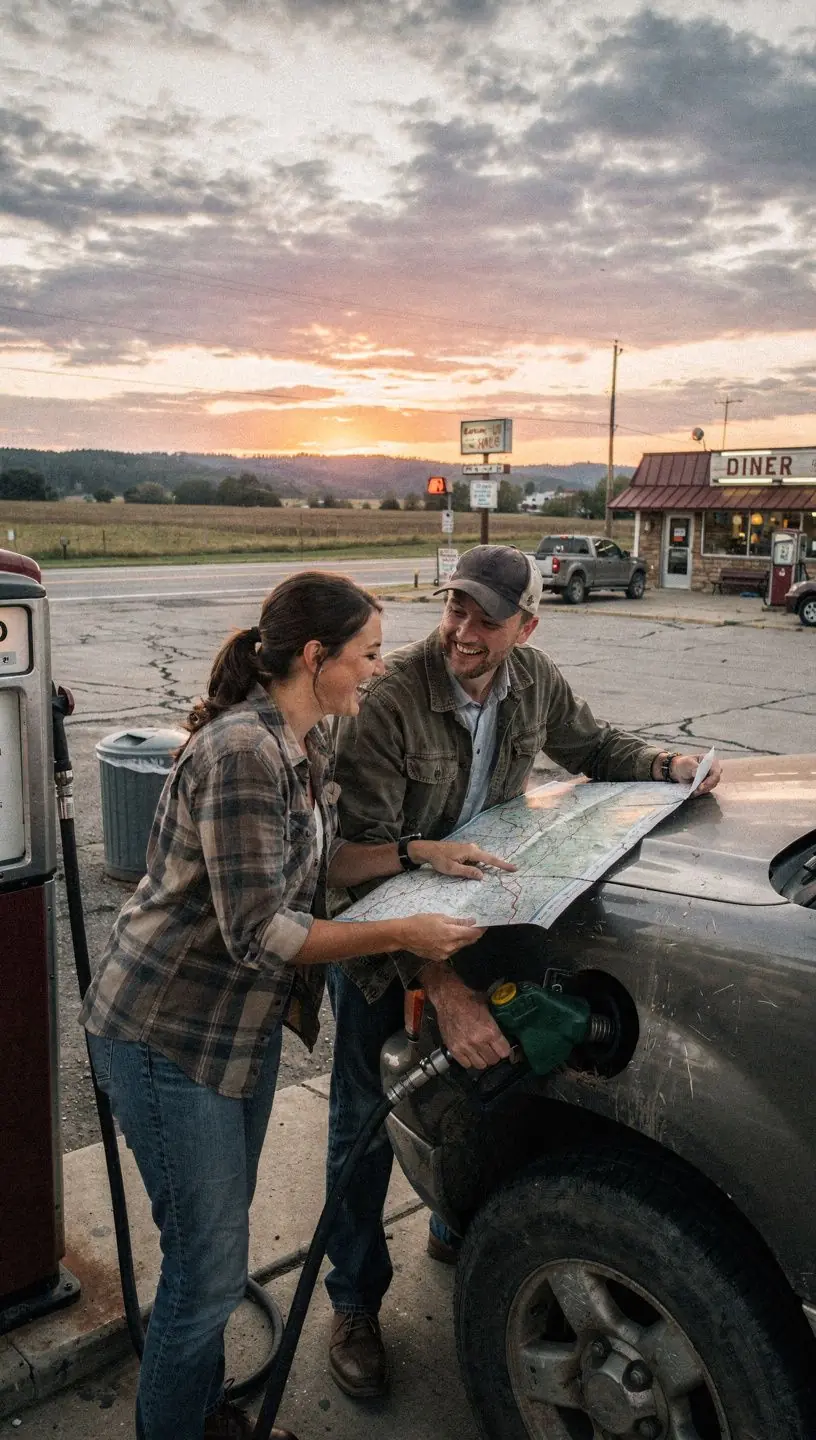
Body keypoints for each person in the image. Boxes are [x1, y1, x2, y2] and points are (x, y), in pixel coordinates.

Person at [80, 570, 511, 1440]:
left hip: (232, 1036)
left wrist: (418, 851)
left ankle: (203, 1416)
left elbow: (321, 868)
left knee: (213, 1253)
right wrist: (408, 935)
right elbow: (263, 933)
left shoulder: (301, 739)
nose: (380, 671)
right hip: (166, 1037)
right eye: (368, 655)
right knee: (205, 1275)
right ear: (316, 655)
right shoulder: (243, 751)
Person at [323, 544, 722, 1398]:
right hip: (380, 935)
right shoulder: (390, 701)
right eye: (455, 609)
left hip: (472, 918)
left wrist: (667, 766)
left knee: (473, 1096)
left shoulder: (532, 680)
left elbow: (594, 743)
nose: (463, 632)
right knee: (363, 1119)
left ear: (527, 627)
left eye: (487, 618)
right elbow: (354, 867)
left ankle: (453, 1224)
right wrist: (441, 987)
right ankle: (354, 1302)